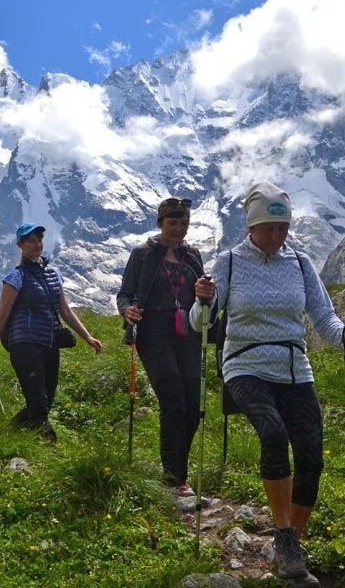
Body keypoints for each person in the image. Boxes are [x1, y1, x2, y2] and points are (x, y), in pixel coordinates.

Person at [189, 181, 345, 587]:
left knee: (311, 456)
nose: (275, 236)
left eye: (282, 228)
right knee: (272, 433)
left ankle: (291, 545)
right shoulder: (230, 263)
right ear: (250, 228)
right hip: (244, 363)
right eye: (267, 228)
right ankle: (285, 536)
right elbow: (201, 325)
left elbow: (323, 318)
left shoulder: (301, 264)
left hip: (293, 366)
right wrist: (199, 300)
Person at [116, 197, 205, 496]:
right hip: (152, 333)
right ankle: (174, 477)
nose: (178, 229)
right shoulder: (142, 254)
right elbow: (124, 294)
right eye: (173, 223)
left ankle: (178, 467)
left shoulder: (193, 256)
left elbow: (202, 295)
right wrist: (127, 311)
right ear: (160, 223)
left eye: (184, 224)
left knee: (193, 403)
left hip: (188, 333)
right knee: (174, 398)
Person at [0, 223, 103, 441]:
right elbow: (1, 316)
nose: (37, 244)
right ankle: (47, 448)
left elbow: (64, 310)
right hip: (24, 345)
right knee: (38, 402)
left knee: (44, 401)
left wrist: (87, 336)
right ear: (20, 245)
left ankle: (7, 436)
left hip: (49, 344)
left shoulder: (53, 275)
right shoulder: (16, 277)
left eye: (39, 240)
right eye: (31, 241)